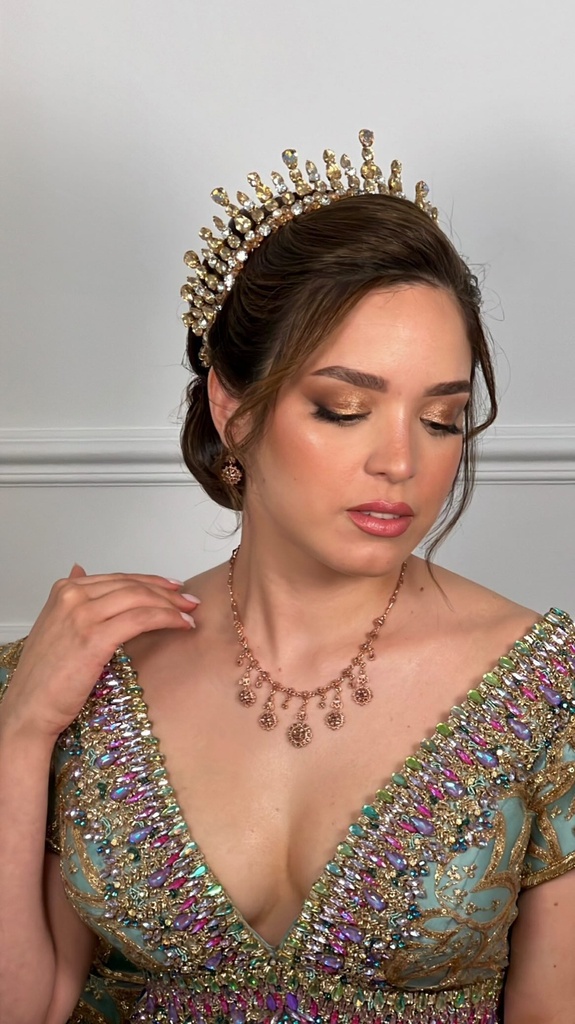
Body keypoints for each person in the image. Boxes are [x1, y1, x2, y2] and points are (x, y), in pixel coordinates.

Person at [1, 130, 574, 1024]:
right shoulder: (97, 674)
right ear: (232, 410)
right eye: (343, 409)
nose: (400, 463)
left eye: (440, 419)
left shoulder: (547, 691)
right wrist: (21, 731)